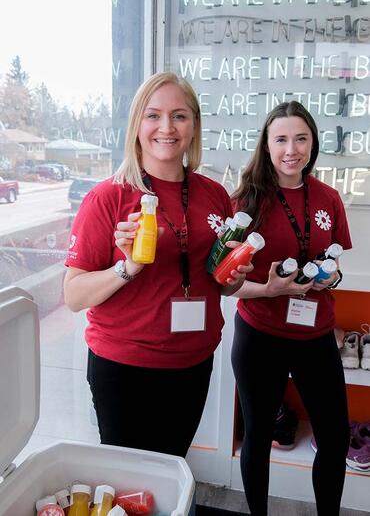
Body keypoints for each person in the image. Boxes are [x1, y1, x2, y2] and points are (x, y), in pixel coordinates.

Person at [64, 72, 250, 458]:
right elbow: (73, 294)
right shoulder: (108, 198)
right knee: (128, 482)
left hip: (192, 363)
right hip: (124, 367)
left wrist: (233, 277)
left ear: (194, 126)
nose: (167, 127)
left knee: (171, 465)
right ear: (137, 126)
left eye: (179, 116)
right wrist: (127, 267)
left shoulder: (214, 195)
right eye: (154, 115)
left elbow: (220, 284)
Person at [231, 101, 352, 516]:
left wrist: (329, 278)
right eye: (281, 139)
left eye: (301, 138)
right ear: (266, 146)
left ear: (313, 144)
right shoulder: (247, 201)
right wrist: (268, 289)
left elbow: (335, 264)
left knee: (334, 438)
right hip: (259, 334)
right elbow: (226, 285)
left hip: (316, 335)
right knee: (258, 433)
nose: (291, 149)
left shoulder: (328, 199)